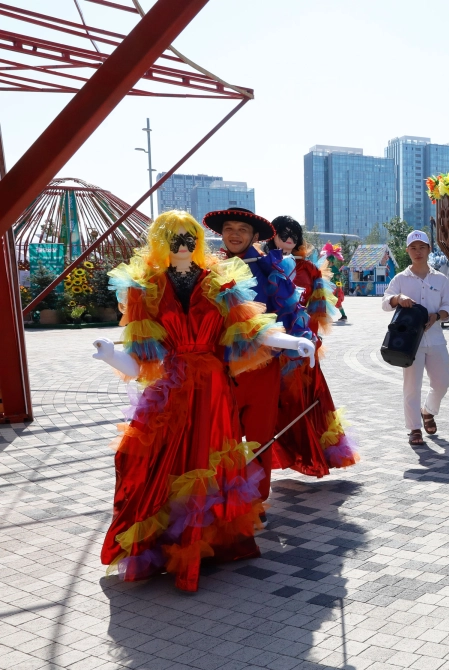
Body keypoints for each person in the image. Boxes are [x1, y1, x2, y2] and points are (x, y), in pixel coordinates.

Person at [91, 210, 314, 591]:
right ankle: (168, 542)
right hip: (173, 387)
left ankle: (210, 540)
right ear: (161, 242)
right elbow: (143, 358)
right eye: (174, 238)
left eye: (188, 237)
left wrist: (292, 340)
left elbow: (250, 330)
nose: (182, 245)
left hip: (212, 390)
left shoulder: (220, 282)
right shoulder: (146, 288)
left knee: (208, 461)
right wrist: (110, 353)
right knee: (147, 457)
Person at [203, 207, 309, 503]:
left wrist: (297, 342)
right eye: (229, 228)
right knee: (224, 438)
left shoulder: (269, 268)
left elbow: (288, 314)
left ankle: (255, 501)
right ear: (221, 234)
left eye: (242, 229)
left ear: (253, 236)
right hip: (222, 370)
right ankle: (228, 501)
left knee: (260, 437)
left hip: (263, 367)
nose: (235, 234)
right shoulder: (209, 270)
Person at [260, 216, 358, 477]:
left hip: (300, 350)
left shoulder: (309, 270)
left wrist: (309, 340)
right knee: (271, 407)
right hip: (267, 348)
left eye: (294, 233)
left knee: (305, 401)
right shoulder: (260, 265)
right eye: (283, 232)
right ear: (273, 234)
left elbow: (316, 311)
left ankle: (312, 454)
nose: (289, 237)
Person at [381, 230, 449, 446]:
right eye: (413, 248)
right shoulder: (400, 279)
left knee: (442, 382)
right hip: (408, 343)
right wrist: (398, 297)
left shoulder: (440, 279)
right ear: (407, 251)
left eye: (422, 247)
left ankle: (428, 411)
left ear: (429, 250)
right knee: (412, 386)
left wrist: (437, 316)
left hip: (435, 339)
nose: (418, 251)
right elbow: (385, 302)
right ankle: (414, 429)